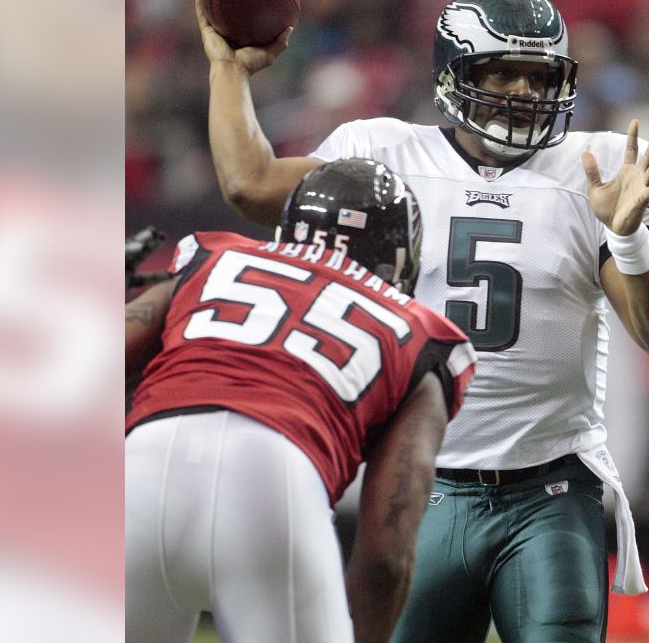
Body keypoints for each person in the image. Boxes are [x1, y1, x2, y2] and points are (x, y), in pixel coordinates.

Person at [198, 0, 649, 642]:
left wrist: (629, 240)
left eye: (538, 74)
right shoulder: (383, 151)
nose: (523, 91)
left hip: (551, 488)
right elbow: (251, 184)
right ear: (452, 76)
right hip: (420, 482)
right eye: (503, 71)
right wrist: (228, 70)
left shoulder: (594, 168)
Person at [124, 159, 477, 643]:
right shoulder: (420, 333)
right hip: (273, 483)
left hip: (139, 467)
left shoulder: (212, 256)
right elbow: (384, 554)